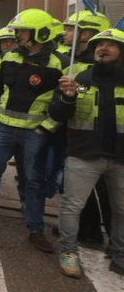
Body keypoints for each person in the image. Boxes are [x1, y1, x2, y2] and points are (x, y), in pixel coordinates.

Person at [0, 9, 63, 254]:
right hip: (3, 128)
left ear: (38, 33)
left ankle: (35, 229)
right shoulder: (7, 57)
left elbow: (61, 100)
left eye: (22, 31)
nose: (17, 35)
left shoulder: (56, 63)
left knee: (32, 181)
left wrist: (46, 127)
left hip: (33, 133)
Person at [49, 28, 124, 278]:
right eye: (99, 44)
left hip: (121, 158)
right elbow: (57, 114)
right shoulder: (78, 78)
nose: (103, 48)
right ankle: (69, 252)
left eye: (110, 45)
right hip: (84, 154)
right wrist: (67, 98)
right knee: (72, 206)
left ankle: (118, 252)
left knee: (121, 208)